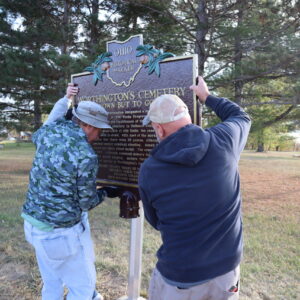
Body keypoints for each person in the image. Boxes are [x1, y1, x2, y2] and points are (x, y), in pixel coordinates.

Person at [138, 76, 251, 300]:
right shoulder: (224, 140)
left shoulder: (150, 170)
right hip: (226, 273)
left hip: (180, 276)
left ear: (159, 130)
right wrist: (207, 97)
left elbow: (155, 220)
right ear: (188, 118)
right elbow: (241, 116)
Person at [22, 83, 120, 300]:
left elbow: (52, 120)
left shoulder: (46, 133)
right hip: (60, 235)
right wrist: (105, 192)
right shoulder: (86, 155)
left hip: (32, 224)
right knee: (83, 290)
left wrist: (65, 99)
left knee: (51, 282)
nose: (100, 135)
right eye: (99, 129)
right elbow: (86, 202)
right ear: (87, 125)